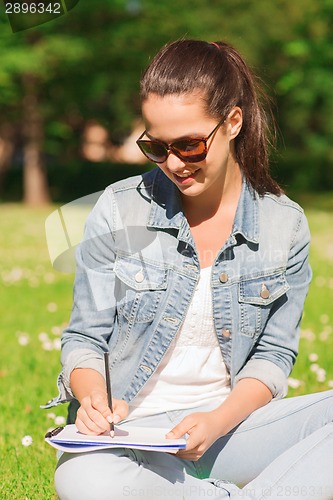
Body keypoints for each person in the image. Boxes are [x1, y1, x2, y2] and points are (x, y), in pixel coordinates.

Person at [50, 40, 333, 499]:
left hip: (226, 432)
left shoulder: (285, 225)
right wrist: (92, 399)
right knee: (80, 479)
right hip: (125, 438)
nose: (174, 164)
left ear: (233, 122)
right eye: (156, 147)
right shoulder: (119, 210)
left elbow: (274, 356)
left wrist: (216, 421)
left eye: (189, 144)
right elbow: (85, 337)